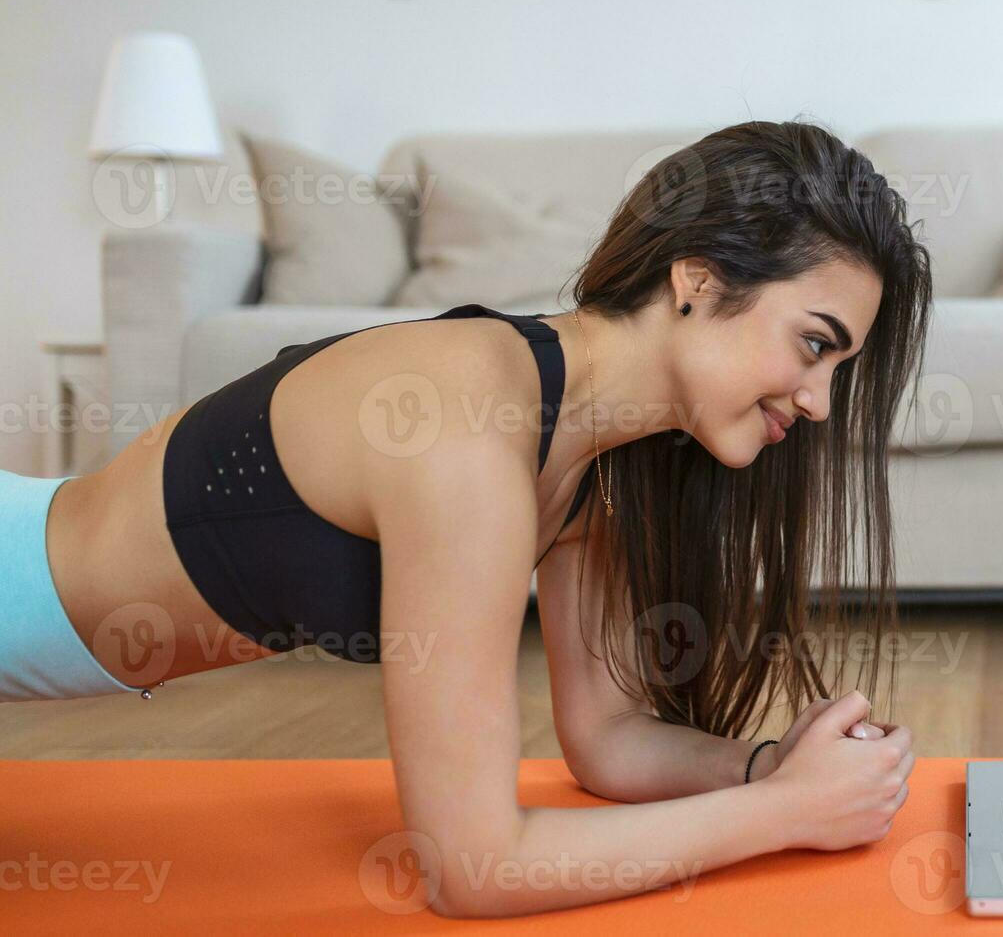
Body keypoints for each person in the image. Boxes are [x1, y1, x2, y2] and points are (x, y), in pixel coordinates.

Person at [0, 118, 934, 917]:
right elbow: (470, 867)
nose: (818, 400)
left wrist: (771, 767)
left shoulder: (592, 464)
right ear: (694, 282)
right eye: (816, 345)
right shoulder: (467, 429)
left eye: (838, 369)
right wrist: (786, 817)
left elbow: (606, 739)